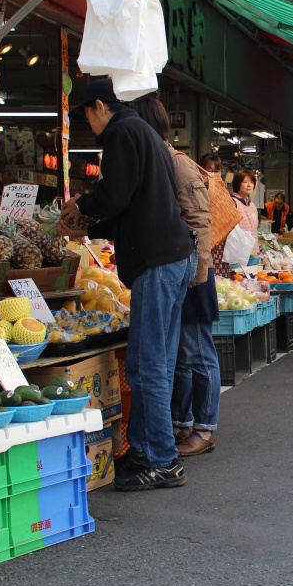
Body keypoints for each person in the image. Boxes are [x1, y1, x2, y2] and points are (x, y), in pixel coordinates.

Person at [59, 78, 195, 490]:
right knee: (156, 363)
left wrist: (80, 208)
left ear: (100, 106)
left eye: (86, 114)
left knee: (148, 364)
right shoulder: (144, 133)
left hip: (158, 261)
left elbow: (114, 193)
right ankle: (148, 447)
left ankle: (162, 461)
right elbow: (133, 200)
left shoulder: (120, 132)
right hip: (174, 257)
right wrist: (95, 224)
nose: (89, 123)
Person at [133, 97, 219, 459]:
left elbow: (201, 221)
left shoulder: (178, 165)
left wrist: (197, 274)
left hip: (192, 270)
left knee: (198, 353)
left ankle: (205, 427)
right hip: (177, 269)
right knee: (181, 356)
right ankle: (182, 421)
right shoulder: (156, 162)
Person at [229, 169, 260, 259]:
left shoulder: (252, 205)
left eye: (251, 182)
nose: (249, 185)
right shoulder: (232, 202)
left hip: (253, 253)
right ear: (237, 183)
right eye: (245, 182)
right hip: (238, 253)